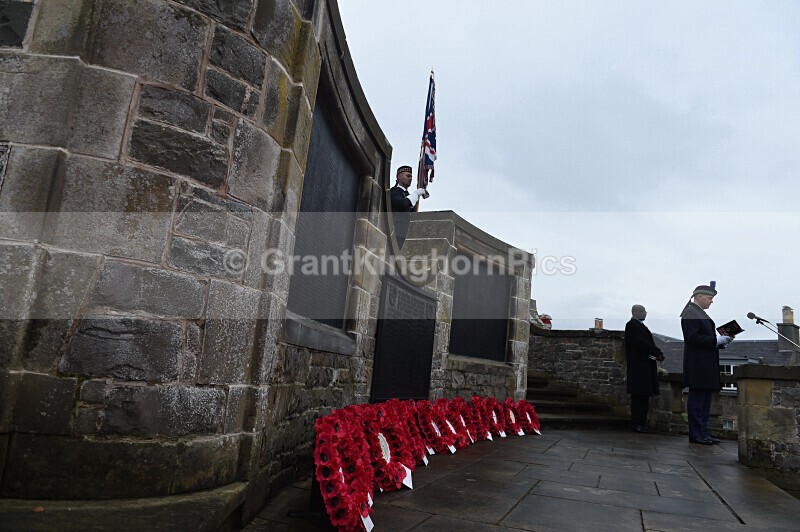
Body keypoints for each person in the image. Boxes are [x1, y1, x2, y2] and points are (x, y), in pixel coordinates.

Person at [680, 282, 732, 445]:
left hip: (705, 364)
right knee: (697, 401)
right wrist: (715, 340)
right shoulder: (690, 312)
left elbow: (703, 338)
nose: (711, 301)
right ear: (699, 297)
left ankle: (703, 433)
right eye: (710, 298)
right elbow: (692, 338)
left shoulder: (699, 313)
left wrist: (721, 341)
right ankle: (696, 434)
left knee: (704, 403)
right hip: (698, 365)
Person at [624, 304, 664, 433]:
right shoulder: (632, 326)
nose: (645, 313)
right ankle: (637, 424)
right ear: (636, 312)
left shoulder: (638, 326)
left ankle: (640, 423)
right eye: (643, 311)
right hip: (639, 367)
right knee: (639, 396)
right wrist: (657, 352)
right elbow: (642, 343)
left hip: (643, 366)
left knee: (643, 396)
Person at [389, 165, 429, 248]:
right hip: (396, 234)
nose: (410, 178)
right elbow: (404, 204)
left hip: (407, 235)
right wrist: (417, 193)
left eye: (411, 176)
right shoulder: (394, 192)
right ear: (399, 177)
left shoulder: (409, 195)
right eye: (408, 176)